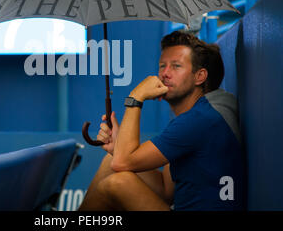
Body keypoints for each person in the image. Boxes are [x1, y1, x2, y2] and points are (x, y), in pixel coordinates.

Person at [79, 31, 245, 211]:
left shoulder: (200, 119)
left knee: (117, 182)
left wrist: (136, 96)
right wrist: (118, 148)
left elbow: (122, 162)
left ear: (200, 76)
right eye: (162, 66)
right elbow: (167, 190)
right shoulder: (198, 114)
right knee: (109, 163)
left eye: (176, 66)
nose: (165, 74)